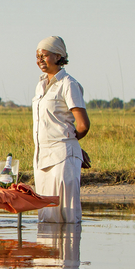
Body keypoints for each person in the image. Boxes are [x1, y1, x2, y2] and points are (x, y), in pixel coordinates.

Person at [31, 36, 90, 223]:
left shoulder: (68, 84)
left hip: (62, 158)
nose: (40, 60)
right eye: (37, 56)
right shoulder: (40, 85)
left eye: (44, 55)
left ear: (58, 56)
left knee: (66, 215)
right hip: (41, 157)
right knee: (47, 215)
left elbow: (83, 125)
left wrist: (72, 146)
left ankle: (68, 253)